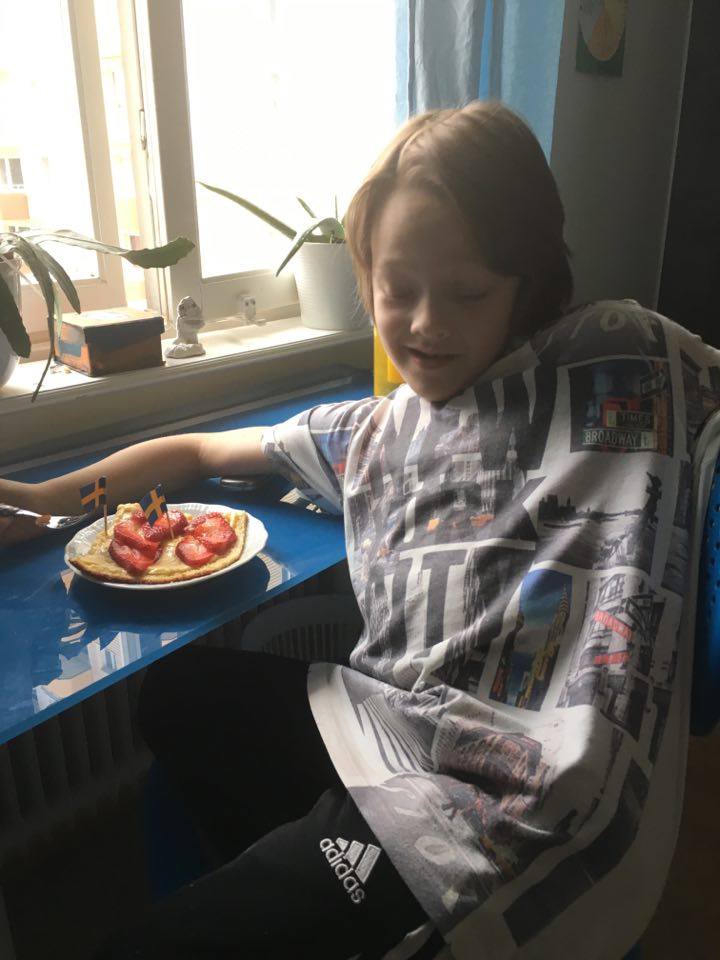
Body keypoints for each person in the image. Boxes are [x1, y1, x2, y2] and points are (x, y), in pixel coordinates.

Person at [2, 99, 719, 960]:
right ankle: (313, 892)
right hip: (391, 727)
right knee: (175, 695)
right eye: (397, 291)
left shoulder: (620, 360)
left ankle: (331, 894)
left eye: (468, 292)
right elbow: (195, 451)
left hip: (497, 809)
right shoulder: (376, 433)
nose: (426, 324)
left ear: (526, 282)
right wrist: (40, 499)